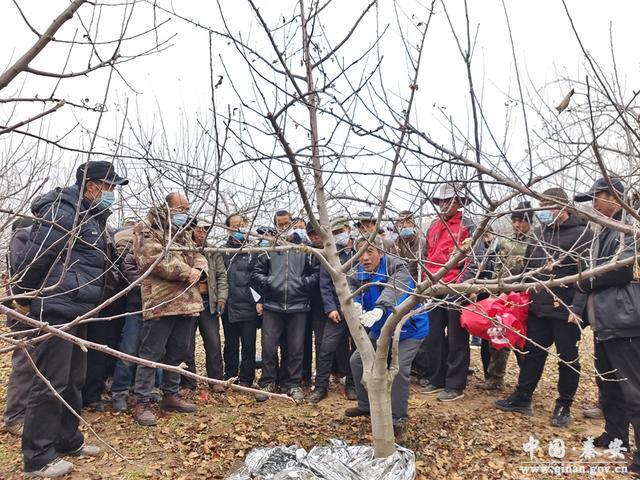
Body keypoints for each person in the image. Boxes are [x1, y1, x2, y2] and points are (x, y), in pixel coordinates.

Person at [15, 161, 128, 478]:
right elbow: (34, 259)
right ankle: (37, 458)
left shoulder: (94, 217)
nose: (112, 194)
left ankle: (67, 439)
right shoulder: (64, 212)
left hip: (81, 309)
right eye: (110, 187)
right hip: (57, 308)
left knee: (75, 380)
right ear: (92, 186)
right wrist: (24, 298)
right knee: (51, 383)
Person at [495, 187, 593, 428]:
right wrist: (504, 285)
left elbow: (587, 276)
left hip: (566, 310)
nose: (542, 213)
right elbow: (529, 269)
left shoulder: (583, 235)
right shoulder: (539, 234)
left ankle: (564, 404)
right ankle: (522, 396)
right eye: (540, 208)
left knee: (568, 358)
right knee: (532, 352)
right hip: (538, 308)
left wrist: (577, 309)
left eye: (546, 207)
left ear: (560, 207)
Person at [574, 176, 640, 475]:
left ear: (613, 196)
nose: (594, 206)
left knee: (634, 391)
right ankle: (616, 436)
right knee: (610, 386)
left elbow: (622, 269)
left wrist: (586, 280)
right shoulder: (604, 230)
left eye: (596, 198)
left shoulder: (631, 228)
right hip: (605, 321)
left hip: (626, 320)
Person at [131, 193, 208, 426]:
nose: (184, 212)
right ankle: (142, 402)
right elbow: (152, 259)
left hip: (187, 302)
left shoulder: (183, 232)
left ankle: (171, 395)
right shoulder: (146, 228)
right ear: (167, 207)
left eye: (187, 208)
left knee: (178, 353)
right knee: (151, 354)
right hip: (161, 302)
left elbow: (199, 255)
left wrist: (200, 270)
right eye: (180, 208)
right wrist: (188, 272)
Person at [344, 236, 429, 435]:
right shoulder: (357, 271)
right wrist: (354, 302)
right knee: (357, 361)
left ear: (381, 253)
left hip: (409, 328)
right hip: (380, 327)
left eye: (370, 252)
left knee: (398, 370)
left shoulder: (397, 267)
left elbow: (393, 291)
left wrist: (381, 308)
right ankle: (365, 405)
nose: (364, 258)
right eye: (360, 252)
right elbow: (349, 286)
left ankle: (397, 417)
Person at [420, 183, 482, 402]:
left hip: (456, 287)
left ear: (459, 203)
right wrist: (425, 283)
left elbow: (474, 261)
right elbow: (427, 255)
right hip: (433, 285)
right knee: (433, 336)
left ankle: (455, 384)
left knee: (457, 338)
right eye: (442, 201)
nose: (445, 205)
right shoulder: (433, 226)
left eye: (449, 201)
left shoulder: (469, 225)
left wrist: (461, 286)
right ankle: (436, 378)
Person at [250, 209, 319, 403]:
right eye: (279, 224)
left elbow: (315, 273)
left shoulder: (306, 248)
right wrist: (271, 282)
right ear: (275, 225)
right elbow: (256, 273)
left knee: (296, 348)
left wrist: (301, 284)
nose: (283, 227)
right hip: (273, 305)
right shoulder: (270, 248)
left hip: (299, 305)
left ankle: (293, 384)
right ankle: (268, 382)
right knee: (269, 346)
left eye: (286, 223)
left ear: (291, 223)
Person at [477, 201, 532, 391]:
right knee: (499, 337)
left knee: (522, 340)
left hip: (525, 298)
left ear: (529, 222)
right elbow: (497, 266)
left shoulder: (535, 241)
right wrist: (495, 291)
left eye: (521, 221)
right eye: (514, 220)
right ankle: (495, 378)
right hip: (504, 297)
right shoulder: (504, 241)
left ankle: (526, 382)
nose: (517, 224)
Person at [110, 222, 161, 412]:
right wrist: (154, 287)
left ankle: (153, 389)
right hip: (137, 308)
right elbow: (131, 274)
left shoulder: (161, 252)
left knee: (155, 352)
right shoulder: (133, 254)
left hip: (158, 309)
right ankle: (120, 392)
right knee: (128, 351)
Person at [307, 217, 358, 403]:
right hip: (336, 310)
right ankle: (321, 387)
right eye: (334, 234)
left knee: (356, 350)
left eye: (340, 232)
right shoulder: (331, 255)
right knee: (326, 349)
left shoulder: (360, 252)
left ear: (348, 229)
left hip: (358, 311)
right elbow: (325, 284)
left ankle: (352, 386)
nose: (338, 236)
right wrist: (330, 309)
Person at [181, 218, 228, 394]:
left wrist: (222, 298)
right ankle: (187, 382)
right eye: (199, 230)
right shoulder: (183, 248)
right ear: (192, 230)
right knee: (186, 344)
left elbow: (222, 276)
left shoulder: (212, 251)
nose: (202, 233)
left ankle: (216, 379)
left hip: (209, 302)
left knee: (213, 341)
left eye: (205, 230)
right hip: (188, 302)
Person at [1, 218, 35, 437]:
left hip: (33, 310)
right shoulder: (22, 238)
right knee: (24, 364)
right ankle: (14, 417)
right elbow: (22, 279)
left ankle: (26, 411)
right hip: (23, 311)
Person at [221, 214, 259, 387]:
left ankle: (246, 379)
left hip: (249, 306)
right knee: (230, 344)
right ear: (228, 228)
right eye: (235, 226)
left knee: (249, 345)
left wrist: (259, 301)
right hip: (228, 305)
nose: (238, 229)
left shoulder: (254, 252)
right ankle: (230, 375)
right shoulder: (222, 252)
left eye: (242, 225)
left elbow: (258, 278)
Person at [302, 221, 326, 387]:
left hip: (321, 304)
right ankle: (304, 375)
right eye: (312, 235)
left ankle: (321, 377)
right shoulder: (305, 251)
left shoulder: (330, 251)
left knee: (321, 341)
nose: (316, 238)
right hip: (302, 303)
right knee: (303, 341)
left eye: (318, 234)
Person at [394, 210, 425, 281]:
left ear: (414, 224)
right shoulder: (395, 243)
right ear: (397, 225)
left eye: (408, 222)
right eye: (401, 223)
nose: (405, 226)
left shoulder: (422, 243)